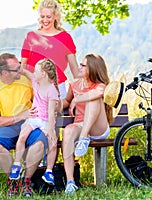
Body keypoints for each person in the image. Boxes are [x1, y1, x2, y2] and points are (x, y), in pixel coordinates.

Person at [20, 0, 81, 185]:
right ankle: (31, 172)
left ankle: (50, 172)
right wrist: (34, 82)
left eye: (49, 16)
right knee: (36, 128)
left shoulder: (65, 37)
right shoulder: (31, 36)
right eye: (42, 16)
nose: (45, 20)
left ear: (56, 16)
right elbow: (23, 67)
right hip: (34, 89)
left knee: (53, 128)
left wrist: (78, 94)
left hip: (58, 88)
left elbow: (75, 71)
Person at [0, 53, 48, 197]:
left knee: (39, 144)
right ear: (5, 73)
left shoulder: (27, 81)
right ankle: (13, 181)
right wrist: (19, 116)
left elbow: (44, 95)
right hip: (5, 127)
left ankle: (26, 180)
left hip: (30, 123)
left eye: (20, 66)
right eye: (16, 69)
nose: (21, 70)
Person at [61, 54, 113, 194]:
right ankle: (71, 182)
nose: (80, 67)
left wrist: (77, 100)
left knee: (93, 98)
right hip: (80, 124)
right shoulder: (75, 84)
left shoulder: (101, 85)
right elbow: (66, 101)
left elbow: (97, 93)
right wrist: (52, 105)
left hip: (98, 128)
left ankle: (84, 137)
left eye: (83, 65)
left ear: (93, 68)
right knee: (67, 131)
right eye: (81, 64)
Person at [9, 59, 60, 185]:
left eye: (36, 71)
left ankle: (48, 171)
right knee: (22, 136)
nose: (34, 73)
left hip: (46, 120)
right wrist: (19, 69)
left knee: (52, 143)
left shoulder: (51, 90)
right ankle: (16, 164)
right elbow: (26, 73)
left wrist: (50, 131)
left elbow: (51, 112)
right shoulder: (36, 82)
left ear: (43, 74)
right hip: (34, 118)